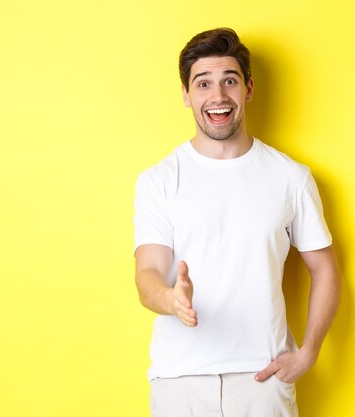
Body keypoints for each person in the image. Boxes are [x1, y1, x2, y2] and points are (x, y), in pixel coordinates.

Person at [133, 27, 341, 417]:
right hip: (180, 381)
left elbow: (325, 268)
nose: (218, 96)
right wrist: (172, 300)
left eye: (229, 81)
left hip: (264, 378)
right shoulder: (159, 180)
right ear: (185, 94)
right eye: (203, 83)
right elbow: (147, 274)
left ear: (248, 88)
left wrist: (308, 352)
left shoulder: (290, 177)